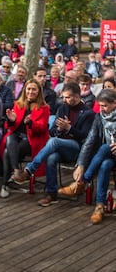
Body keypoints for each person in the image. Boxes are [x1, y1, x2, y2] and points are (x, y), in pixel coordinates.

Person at [13, 83, 95, 205]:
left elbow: (85, 137)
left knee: (53, 141)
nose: (64, 100)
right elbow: (51, 131)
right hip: (60, 146)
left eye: (67, 97)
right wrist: (60, 130)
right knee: (51, 157)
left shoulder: (88, 113)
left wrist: (69, 128)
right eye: (63, 97)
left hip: (77, 149)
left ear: (77, 97)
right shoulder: (62, 108)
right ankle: (52, 194)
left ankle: (29, 170)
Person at [58, 89, 116, 224]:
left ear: (114, 103)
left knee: (104, 147)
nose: (101, 109)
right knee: (105, 164)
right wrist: (81, 164)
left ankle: (82, 182)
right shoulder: (99, 117)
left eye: (104, 106)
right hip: (107, 156)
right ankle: (99, 206)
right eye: (100, 105)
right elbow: (89, 140)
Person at [0, 79, 50, 198]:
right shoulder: (18, 104)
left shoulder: (44, 108)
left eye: (34, 89)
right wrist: (11, 120)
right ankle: (17, 171)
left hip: (32, 139)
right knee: (10, 138)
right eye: (28, 89)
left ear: (39, 91)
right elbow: (10, 127)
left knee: (7, 152)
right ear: (24, 90)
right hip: (16, 137)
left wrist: (31, 123)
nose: (31, 92)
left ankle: (5, 184)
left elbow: (42, 128)